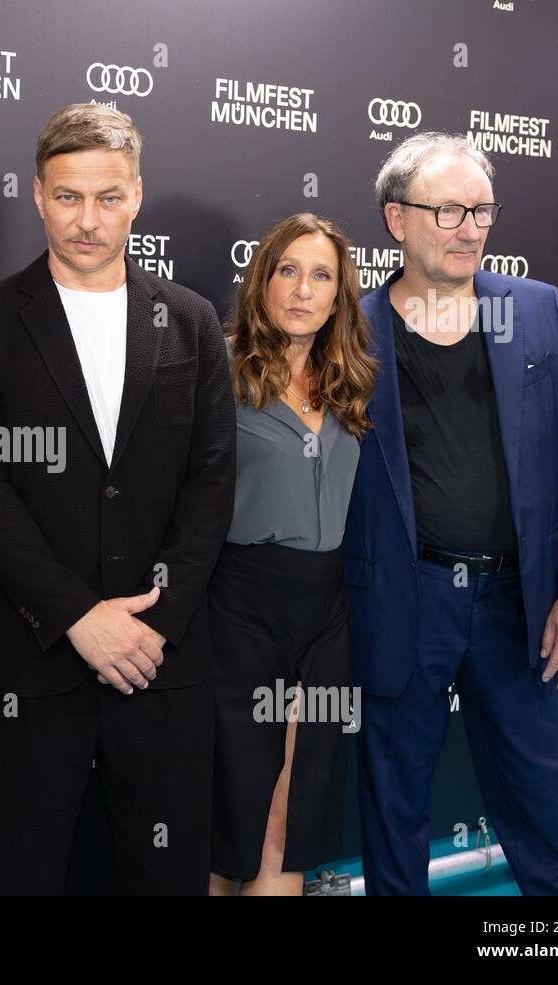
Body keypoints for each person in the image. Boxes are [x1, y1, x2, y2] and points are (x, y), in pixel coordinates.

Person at [0, 104, 235, 895]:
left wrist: (152, 622)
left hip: (159, 662)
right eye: (68, 196)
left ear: (137, 196)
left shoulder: (192, 320)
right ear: (37, 194)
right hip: (36, 667)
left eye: (108, 197)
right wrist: (77, 615)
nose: (88, 218)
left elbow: (213, 483)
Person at [346, 132, 558, 895]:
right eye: (450, 210)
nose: (471, 227)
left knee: (542, 803)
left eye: (483, 210)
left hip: (515, 603)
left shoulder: (538, 312)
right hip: (403, 599)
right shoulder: (349, 332)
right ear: (397, 219)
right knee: (393, 810)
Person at [209, 213, 377, 896]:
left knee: (295, 804)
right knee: (231, 813)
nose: (303, 289)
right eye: (288, 271)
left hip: (327, 613)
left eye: (321, 276)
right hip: (237, 607)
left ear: (339, 296)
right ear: (262, 281)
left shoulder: (353, 382)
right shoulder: (215, 368)